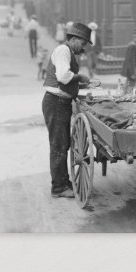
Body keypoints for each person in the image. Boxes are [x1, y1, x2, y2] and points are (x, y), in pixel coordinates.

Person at [42, 22, 100, 199]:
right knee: (59, 146)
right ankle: (58, 187)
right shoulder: (63, 50)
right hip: (55, 103)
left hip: (61, 102)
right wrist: (80, 76)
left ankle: (62, 181)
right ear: (74, 39)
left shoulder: (68, 52)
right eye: (82, 44)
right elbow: (63, 76)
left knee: (63, 144)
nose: (83, 48)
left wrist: (84, 83)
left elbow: (66, 79)